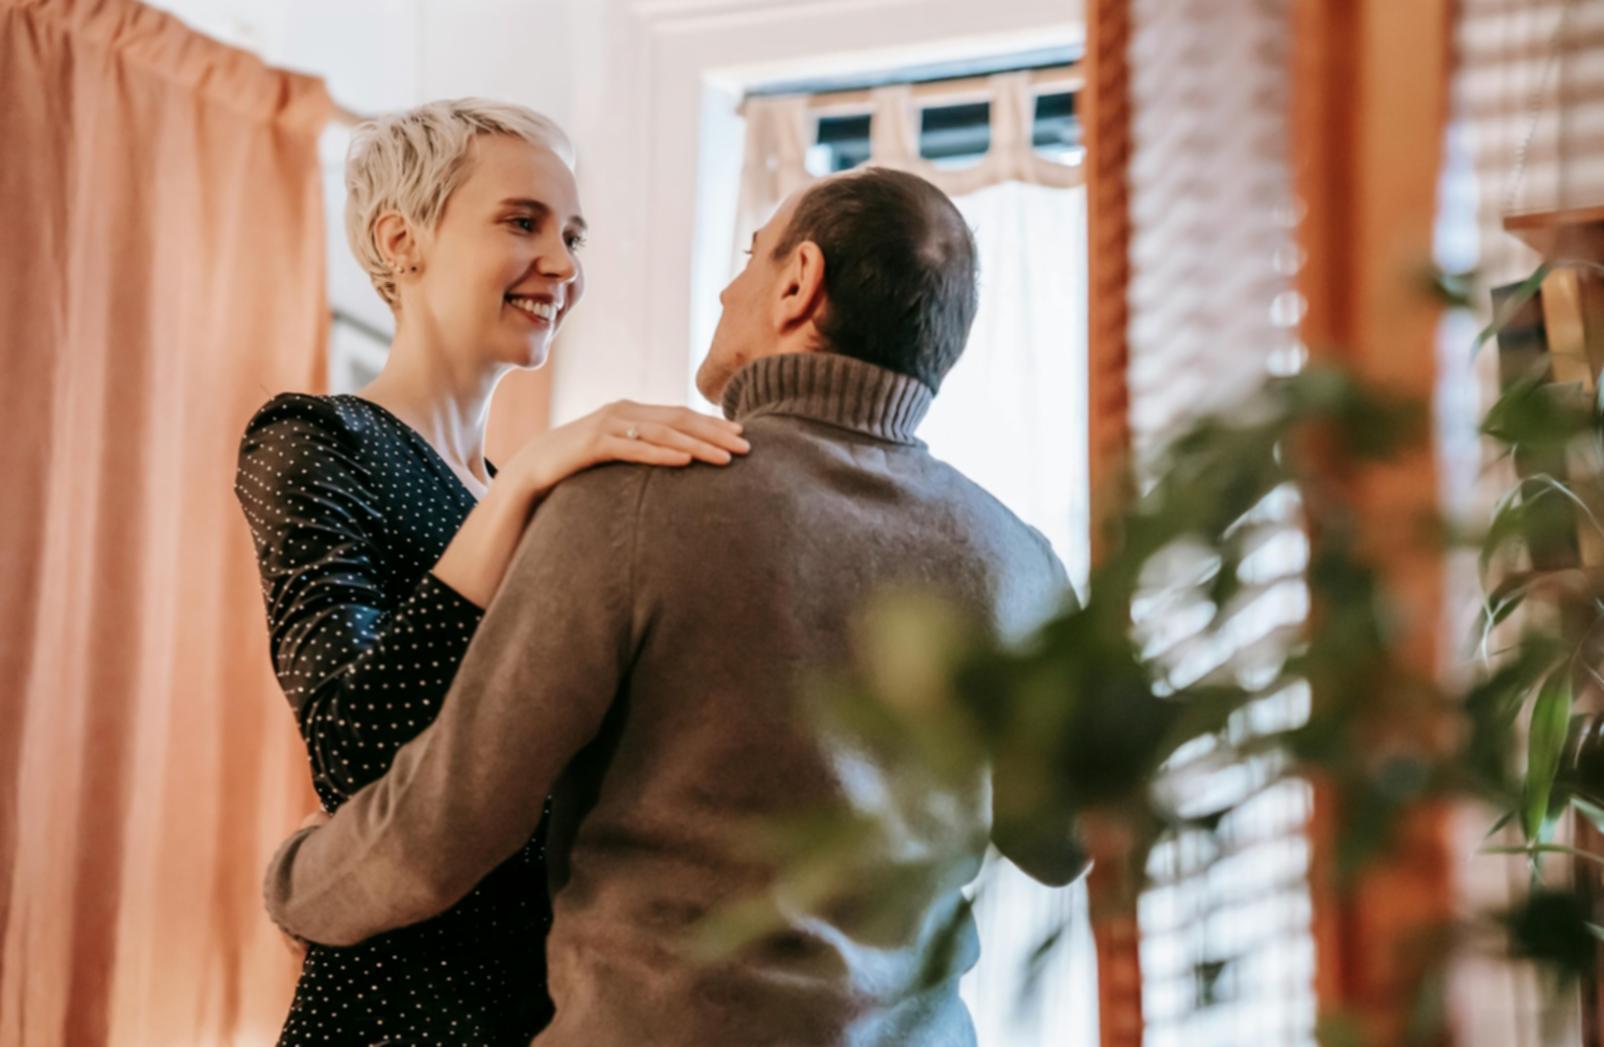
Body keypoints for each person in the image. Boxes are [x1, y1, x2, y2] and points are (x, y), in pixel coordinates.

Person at [262, 166, 1086, 1045]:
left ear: (799, 281)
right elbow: (1059, 847)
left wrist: (293, 878)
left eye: (750, 255)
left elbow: (442, 832)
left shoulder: (630, 502)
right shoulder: (1020, 562)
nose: (732, 286)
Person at [234, 99, 749, 1046]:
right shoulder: (313, 440)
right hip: (400, 1009)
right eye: (524, 222)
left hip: (551, 1005)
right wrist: (533, 484)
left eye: (573, 234)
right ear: (404, 240)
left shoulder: (531, 494)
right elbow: (355, 749)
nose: (564, 264)